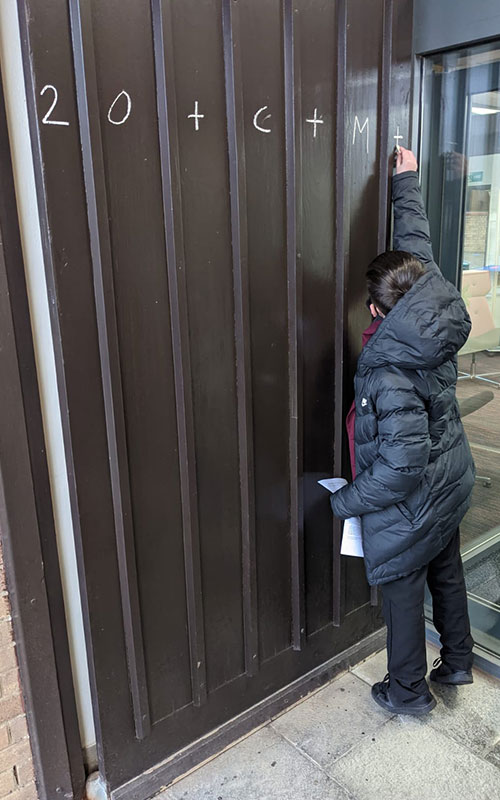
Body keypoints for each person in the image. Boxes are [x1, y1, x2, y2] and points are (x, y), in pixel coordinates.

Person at [330, 146, 475, 716]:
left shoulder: (389, 369)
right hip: (450, 478)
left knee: (402, 599)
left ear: (376, 312)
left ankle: (409, 693)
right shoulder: (430, 302)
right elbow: (415, 246)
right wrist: (405, 181)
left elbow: (398, 467)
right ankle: (459, 661)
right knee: (447, 567)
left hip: (411, 499)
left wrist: (347, 501)